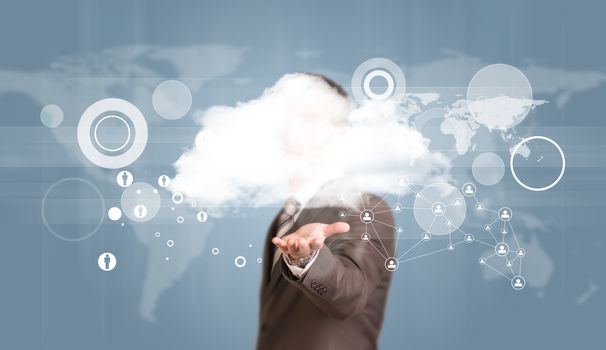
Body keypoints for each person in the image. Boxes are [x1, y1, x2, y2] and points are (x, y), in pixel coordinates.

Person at [257, 74, 395, 350]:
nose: (290, 131)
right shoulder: (284, 219)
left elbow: (350, 295)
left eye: (307, 119)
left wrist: (309, 258)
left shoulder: (366, 209)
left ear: (340, 134)